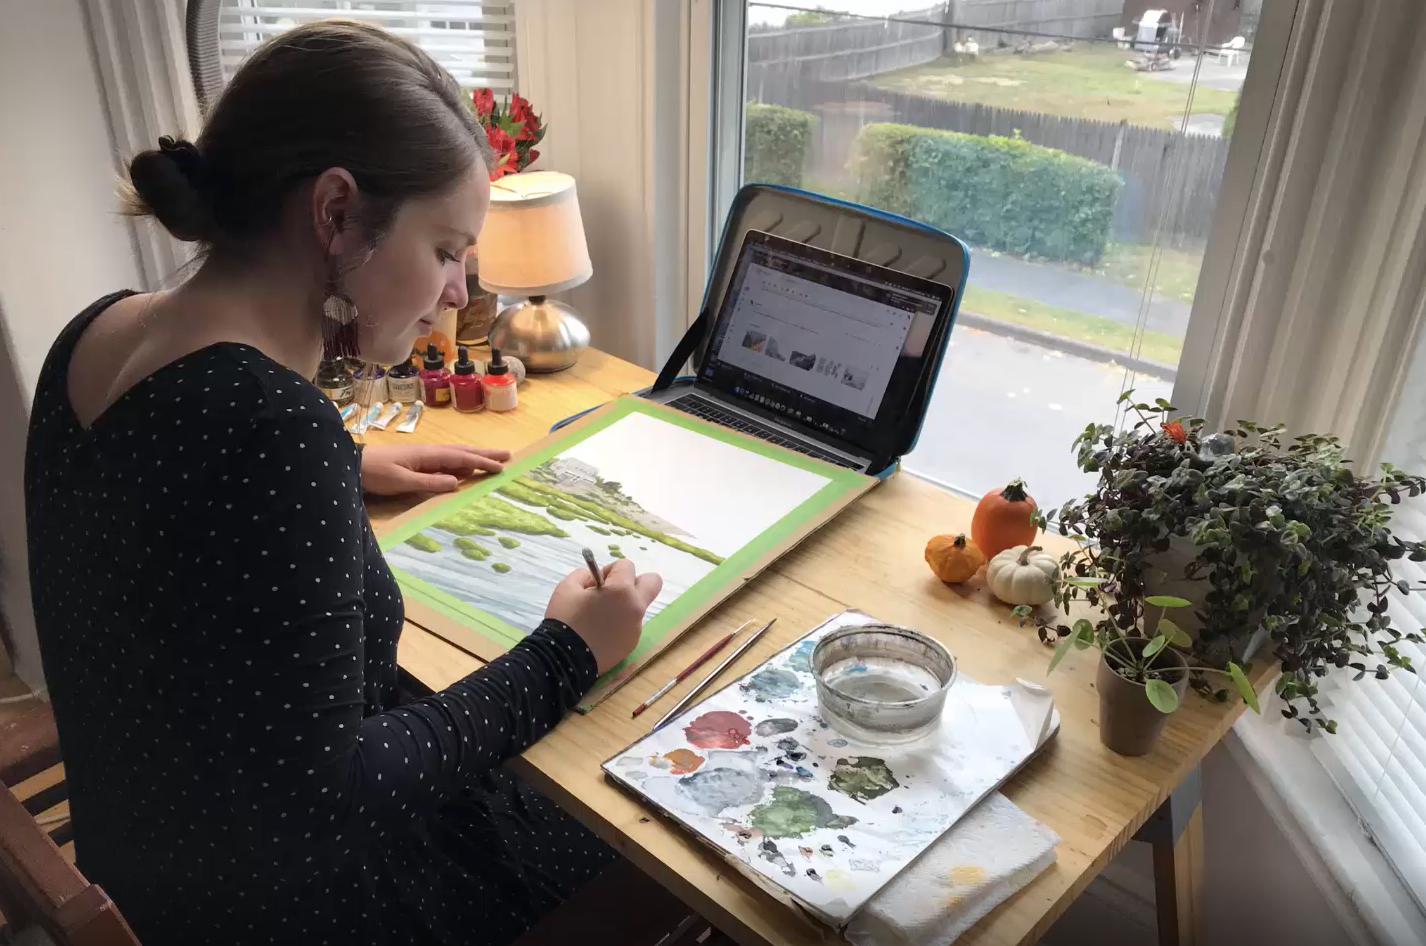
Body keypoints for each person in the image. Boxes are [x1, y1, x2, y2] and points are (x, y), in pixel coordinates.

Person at [23, 21, 663, 946]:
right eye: (447, 249)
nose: (456, 292)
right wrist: (568, 650)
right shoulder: (271, 430)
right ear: (335, 214)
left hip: (150, 856)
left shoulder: (97, 331)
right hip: (285, 910)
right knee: (633, 838)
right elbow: (336, 792)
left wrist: (346, 471)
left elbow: (160, 497)